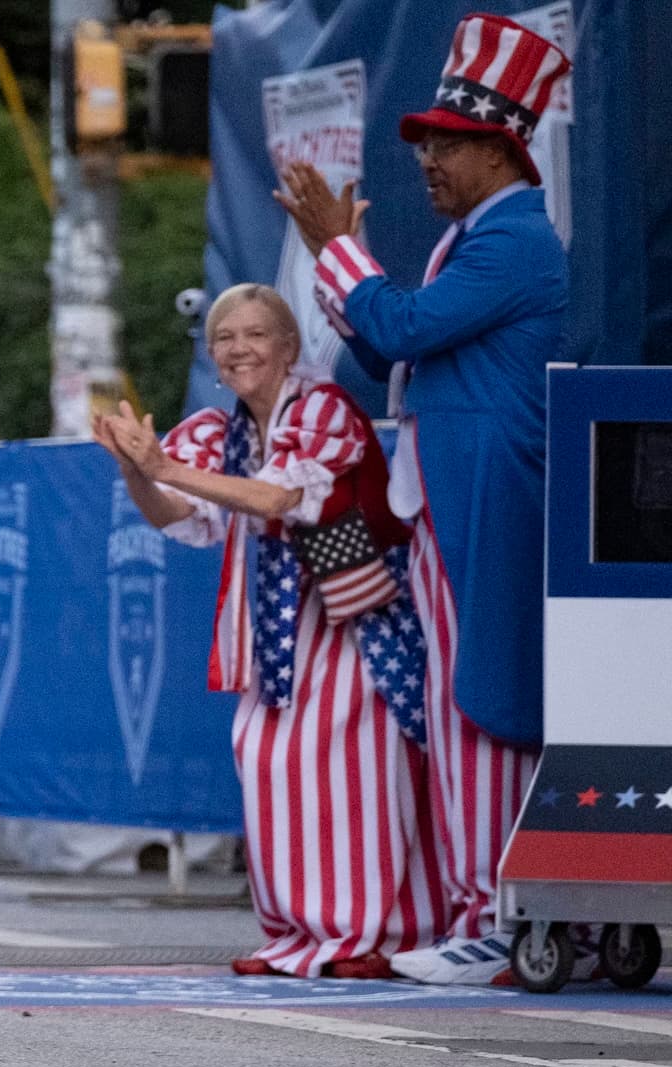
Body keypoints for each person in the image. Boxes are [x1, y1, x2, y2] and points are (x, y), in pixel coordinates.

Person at [277, 13, 571, 986]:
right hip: (451, 495)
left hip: (488, 492)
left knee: (482, 705)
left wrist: (335, 252)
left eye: (443, 143)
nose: (426, 161)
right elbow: (385, 346)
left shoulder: (514, 242)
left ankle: (493, 917)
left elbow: (398, 330)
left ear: (497, 150)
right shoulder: (473, 239)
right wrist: (340, 271)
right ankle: (473, 911)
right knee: (459, 707)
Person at [93, 284, 442, 978]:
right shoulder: (218, 430)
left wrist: (163, 464)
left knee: (355, 769)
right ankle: (296, 933)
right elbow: (174, 514)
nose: (239, 348)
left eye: (256, 334)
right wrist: (137, 470)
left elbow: (284, 495)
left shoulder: (323, 411)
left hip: (354, 617)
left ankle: (373, 933)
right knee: (266, 760)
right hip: (277, 628)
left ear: (289, 347)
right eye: (226, 337)